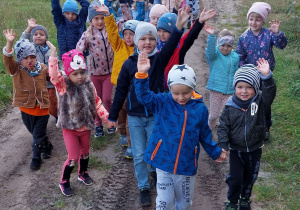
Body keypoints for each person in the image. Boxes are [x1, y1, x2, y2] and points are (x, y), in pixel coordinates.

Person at [108, 6, 191, 206]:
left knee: (155, 149)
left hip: (155, 115)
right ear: (137, 41)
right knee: (138, 155)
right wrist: (112, 117)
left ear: (156, 41)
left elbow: (171, 45)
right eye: (143, 38)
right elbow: (120, 91)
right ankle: (143, 186)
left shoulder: (159, 60)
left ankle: (154, 173)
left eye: (151, 38)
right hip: (135, 116)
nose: (147, 42)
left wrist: (178, 27)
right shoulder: (129, 64)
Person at [135, 53, 227, 209]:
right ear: (169, 88)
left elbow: (205, 135)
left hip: (186, 165)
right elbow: (144, 96)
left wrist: (215, 152)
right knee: (163, 202)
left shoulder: (200, 109)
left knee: (184, 203)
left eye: (185, 92)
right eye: (175, 93)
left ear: (193, 88)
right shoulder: (163, 102)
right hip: (162, 162)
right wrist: (142, 74)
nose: (180, 97)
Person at [47, 42, 116, 197]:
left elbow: (97, 102)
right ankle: (64, 181)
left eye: (82, 72)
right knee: (73, 157)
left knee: (85, 153)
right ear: (68, 74)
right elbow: (53, 75)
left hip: (86, 126)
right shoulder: (63, 85)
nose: (79, 76)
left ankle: (82, 173)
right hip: (70, 128)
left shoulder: (88, 84)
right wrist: (53, 55)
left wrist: (107, 118)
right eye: (75, 73)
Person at [218, 58, 276, 210]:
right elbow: (223, 126)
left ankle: (245, 199)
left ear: (256, 88)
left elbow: (270, 92)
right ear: (235, 87)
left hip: (255, 148)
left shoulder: (260, 102)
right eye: (240, 87)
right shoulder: (230, 106)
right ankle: (232, 201)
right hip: (236, 149)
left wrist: (267, 76)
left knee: (250, 177)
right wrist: (223, 143)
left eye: (249, 87)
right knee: (236, 179)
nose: (244, 91)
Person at [236, 2, 287, 140]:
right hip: (250, 77)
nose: (254, 22)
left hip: (265, 76)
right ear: (248, 19)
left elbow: (281, 45)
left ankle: (265, 127)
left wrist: (277, 33)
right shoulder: (244, 37)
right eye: (251, 19)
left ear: (263, 20)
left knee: (265, 102)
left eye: (258, 19)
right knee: (250, 100)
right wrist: (244, 72)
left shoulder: (268, 34)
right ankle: (251, 125)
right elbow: (240, 56)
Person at [2, 29, 52, 170]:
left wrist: (62, 75)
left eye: (32, 57)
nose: (29, 61)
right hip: (26, 107)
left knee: (37, 134)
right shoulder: (16, 69)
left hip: (42, 108)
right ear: (19, 59)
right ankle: (47, 144)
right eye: (25, 58)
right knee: (35, 132)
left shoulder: (42, 68)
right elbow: (7, 59)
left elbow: (53, 76)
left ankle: (36, 157)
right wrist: (9, 42)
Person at [96, 4, 140, 159]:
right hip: (118, 86)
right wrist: (108, 15)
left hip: (133, 89)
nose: (128, 37)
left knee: (130, 116)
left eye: (132, 34)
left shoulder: (139, 51)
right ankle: (122, 134)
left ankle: (130, 144)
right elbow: (112, 32)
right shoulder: (118, 45)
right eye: (126, 34)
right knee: (120, 113)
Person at [76, 0, 115, 137]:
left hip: (109, 72)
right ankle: (98, 124)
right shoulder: (87, 34)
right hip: (94, 73)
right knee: (95, 100)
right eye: (96, 18)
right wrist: (78, 65)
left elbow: (116, 31)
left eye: (101, 18)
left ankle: (110, 121)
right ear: (91, 20)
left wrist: (109, 14)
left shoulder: (109, 31)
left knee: (107, 99)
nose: (99, 21)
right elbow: (78, 51)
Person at [156, 7, 216, 89]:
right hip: (158, 87)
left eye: (165, 31)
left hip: (175, 87)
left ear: (173, 31)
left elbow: (191, 36)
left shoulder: (179, 46)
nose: (161, 34)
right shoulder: (155, 45)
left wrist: (199, 21)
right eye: (159, 30)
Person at [20, 18, 58, 123]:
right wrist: (29, 28)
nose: (38, 36)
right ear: (32, 37)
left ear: (46, 37)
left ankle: (57, 114)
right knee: (40, 104)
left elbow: (55, 63)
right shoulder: (31, 48)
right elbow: (22, 42)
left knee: (53, 103)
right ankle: (40, 120)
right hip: (37, 84)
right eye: (35, 34)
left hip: (50, 83)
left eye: (41, 34)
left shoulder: (51, 49)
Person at [204, 26, 239, 130]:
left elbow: (236, 72)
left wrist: (237, 87)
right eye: (222, 45)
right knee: (214, 115)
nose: (225, 48)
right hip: (216, 90)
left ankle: (225, 133)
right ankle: (209, 129)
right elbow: (210, 50)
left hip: (229, 92)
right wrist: (211, 36)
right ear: (218, 44)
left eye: (229, 45)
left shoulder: (235, 57)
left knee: (226, 115)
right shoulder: (215, 56)